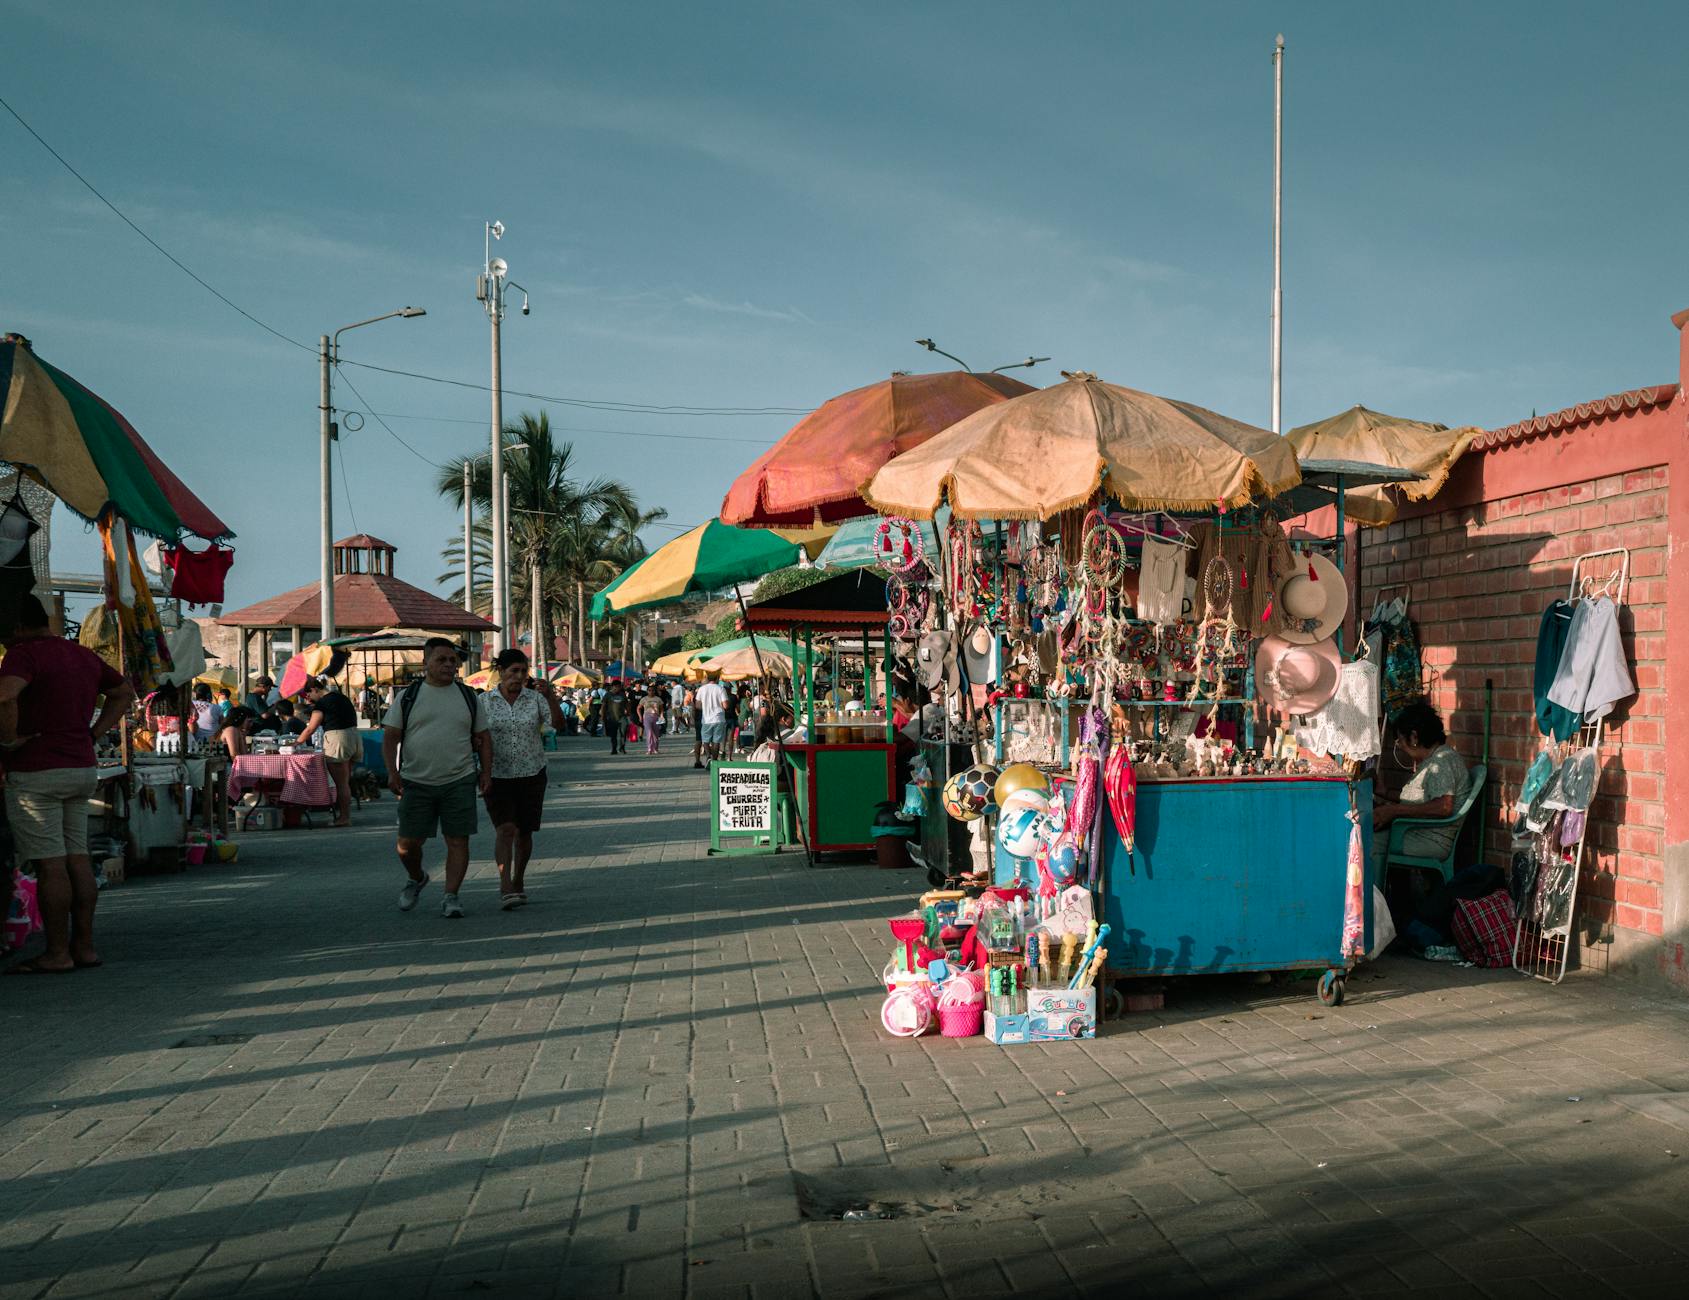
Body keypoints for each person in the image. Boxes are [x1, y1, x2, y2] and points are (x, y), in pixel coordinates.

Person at [0, 595, 136, 974]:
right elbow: (123, 692)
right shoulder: (79, 654)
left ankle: (57, 953)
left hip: (36, 771)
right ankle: (85, 947)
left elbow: (5, 695)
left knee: (50, 865)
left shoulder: (23, 655)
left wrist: (8, 739)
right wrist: (93, 733)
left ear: (15, 627)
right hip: (80, 767)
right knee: (78, 857)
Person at [382, 638, 492, 919]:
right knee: (407, 844)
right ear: (426, 663)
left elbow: (484, 737)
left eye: (453, 661)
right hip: (415, 781)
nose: (448, 665)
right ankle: (417, 877)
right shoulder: (408, 696)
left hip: (460, 778)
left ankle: (451, 896)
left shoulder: (469, 697)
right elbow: (391, 737)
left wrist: (486, 773)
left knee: (458, 841)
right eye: (441, 659)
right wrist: (392, 773)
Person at [479, 648, 563, 909]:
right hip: (497, 775)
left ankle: (519, 880)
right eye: (513, 671)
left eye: (523, 671)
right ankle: (505, 885)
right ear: (501, 672)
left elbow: (558, 725)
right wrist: (482, 771)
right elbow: (477, 736)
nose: (518, 676)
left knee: (524, 832)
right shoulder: (484, 702)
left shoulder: (535, 699)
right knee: (505, 829)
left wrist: (550, 696)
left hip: (532, 773)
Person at [1374, 700, 1469, 859]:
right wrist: (1385, 793)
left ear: (1414, 737)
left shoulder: (1441, 761)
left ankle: (1371, 885)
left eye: (1399, 740)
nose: (1400, 746)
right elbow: (1422, 799)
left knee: (1367, 842)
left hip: (1430, 839)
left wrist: (1393, 811)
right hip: (1415, 833)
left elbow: (1444, 807)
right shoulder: (1433, 760)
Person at [297, 677, 362, 827]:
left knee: (341, 784)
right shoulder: (342, 697)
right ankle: (345, 815)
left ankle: (344, 818)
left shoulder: (322, 704)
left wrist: (296, 743)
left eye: (308, 695)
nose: (308, 699)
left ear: (314, 689)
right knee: (345, 782)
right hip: (354, 737)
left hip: (337, 739)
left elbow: (310, 728)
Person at [695, 670, 728, 764]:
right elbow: (725, 706)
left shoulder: (702, 689)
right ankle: (714, 760)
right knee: (716, 741)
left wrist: (706, 707)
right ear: (717, 678)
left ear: (707, 678)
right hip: (719, 718)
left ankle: (708, 757)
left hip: (706, 719)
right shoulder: (721, 688)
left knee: (705, 740)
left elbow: (697, 705)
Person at [640, 682, 666, 755]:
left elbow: (661, 709)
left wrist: (661, 716)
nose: (651, 692)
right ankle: (649, 749)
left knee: (656, 734)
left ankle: (655, 749)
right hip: (647, 717)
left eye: (653, 690)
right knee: (649, 733)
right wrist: (640, 716)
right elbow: (638, 708)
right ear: (647, 691)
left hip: (656, 717)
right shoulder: (644, 699)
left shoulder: (658, 699)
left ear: (655, 691)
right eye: (649, 690)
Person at [603, 681, 629, 754]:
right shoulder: (608, 695)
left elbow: (627, 704)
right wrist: (603, 716)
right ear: (613, 687)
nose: (619, 688)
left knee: (623, 733)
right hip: (612, 718)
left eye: (620, 686)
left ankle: (622, 747)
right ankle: (614, 749)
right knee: (613, 735)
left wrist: (628, 713)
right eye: (617, 686)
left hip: (622, 717)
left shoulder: (622, 694)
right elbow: (603, 706)